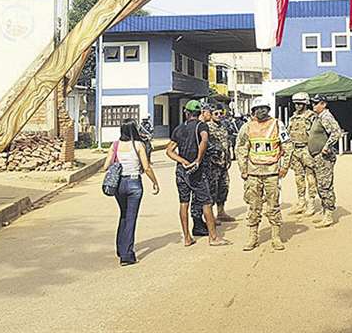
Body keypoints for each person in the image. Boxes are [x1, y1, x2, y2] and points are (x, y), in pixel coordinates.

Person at [165, 100, 229, 247]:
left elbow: (169, 150)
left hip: (182, 172)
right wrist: (198, 160)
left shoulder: (179, 129)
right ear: (199, 113)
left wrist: (183, 161)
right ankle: (213, 237)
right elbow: (205, 140)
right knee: (206, 203)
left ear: (186, 113)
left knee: (183, 203)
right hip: (197, 171)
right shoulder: (202, 126)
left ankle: (187, 237)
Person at [235, 96, 292, 250]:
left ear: (268, 109)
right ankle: (253, 236)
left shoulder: (277, 125)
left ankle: (275, 236)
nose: (261, 111)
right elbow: (241, 149)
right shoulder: (247, 127)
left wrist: (285, 167)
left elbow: (287, 146)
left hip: (272, 172)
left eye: (264, 108)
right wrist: (243, 169)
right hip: (253, 173)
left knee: (273, 205)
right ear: (253, 111)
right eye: (257, 109)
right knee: (254, 205)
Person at [103, 120, 160, 265]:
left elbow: (105, 166)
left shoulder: (115, 145)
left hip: (119, 185)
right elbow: (146, 167)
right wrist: (155, 182)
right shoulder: (138, 145)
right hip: (134, 183)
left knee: (123, 215)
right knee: (131, 218)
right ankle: (127, 255)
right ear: (134, 130)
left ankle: (120, 247)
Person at [303, 94, 344, 228]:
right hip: (316, 157)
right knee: (320, 185)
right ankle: (325, 212)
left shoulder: (326, 116)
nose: (313, 106)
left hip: (323, 157)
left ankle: (328, 215)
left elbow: (336, 132)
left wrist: (326, 147)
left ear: (323, 104)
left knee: (325, 186)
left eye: (316, 103)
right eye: (313, 104)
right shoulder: (317, 117)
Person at [286, 92, 319, 217]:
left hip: (307, 149)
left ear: (305, 103)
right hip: (295, 150)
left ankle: (311, 203)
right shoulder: (293, 117)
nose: (298, 106)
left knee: (311, 177)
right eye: (296, 104)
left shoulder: (311, 116)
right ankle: (301, 202)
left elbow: (316, 134)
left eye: (300, 103)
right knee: (298, 178)